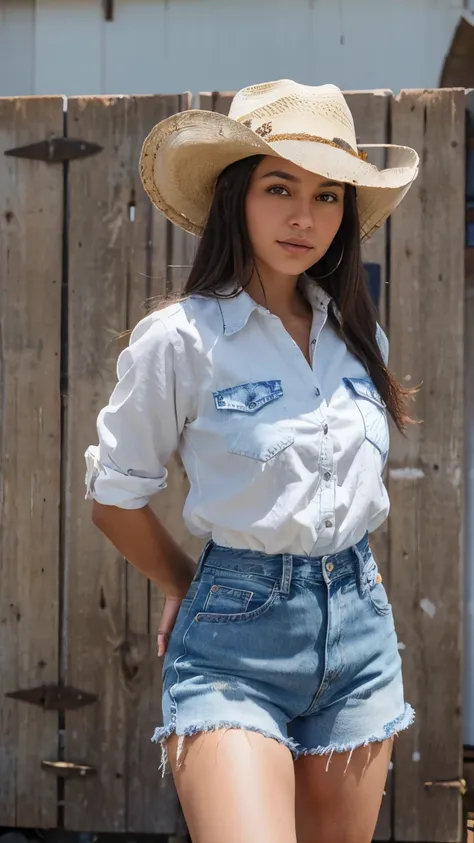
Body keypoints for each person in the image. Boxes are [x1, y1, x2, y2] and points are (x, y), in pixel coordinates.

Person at [85, 80, 419, 843]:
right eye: (280, 188)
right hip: (233, 645)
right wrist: (188, 582)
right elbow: (113, 497)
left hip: (361, 637)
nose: (306, 216)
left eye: (328, 196)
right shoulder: (179, 340)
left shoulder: (358, 343)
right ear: (235, 195)